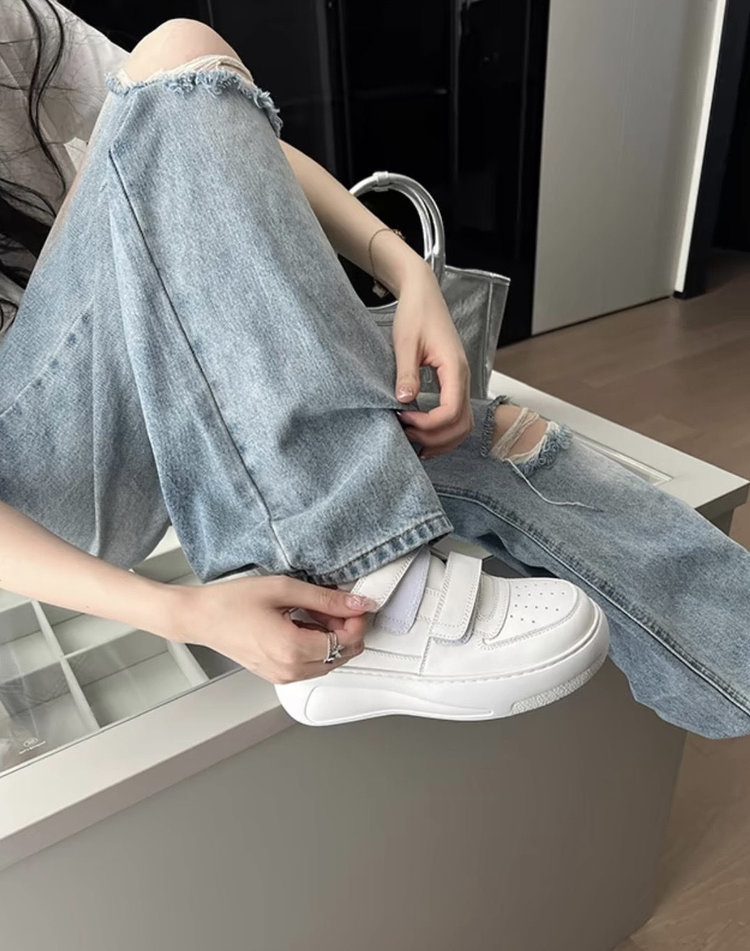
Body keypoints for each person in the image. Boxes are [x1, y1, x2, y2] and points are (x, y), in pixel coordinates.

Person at [0, 2, 748, 736]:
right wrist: (183, 612)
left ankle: (735, 671)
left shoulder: (18, 25)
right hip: (41, 497)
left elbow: (201, 123)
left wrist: (405, 268)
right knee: (176, 53)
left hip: (138, 386)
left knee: (499, 444)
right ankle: (356, 579)